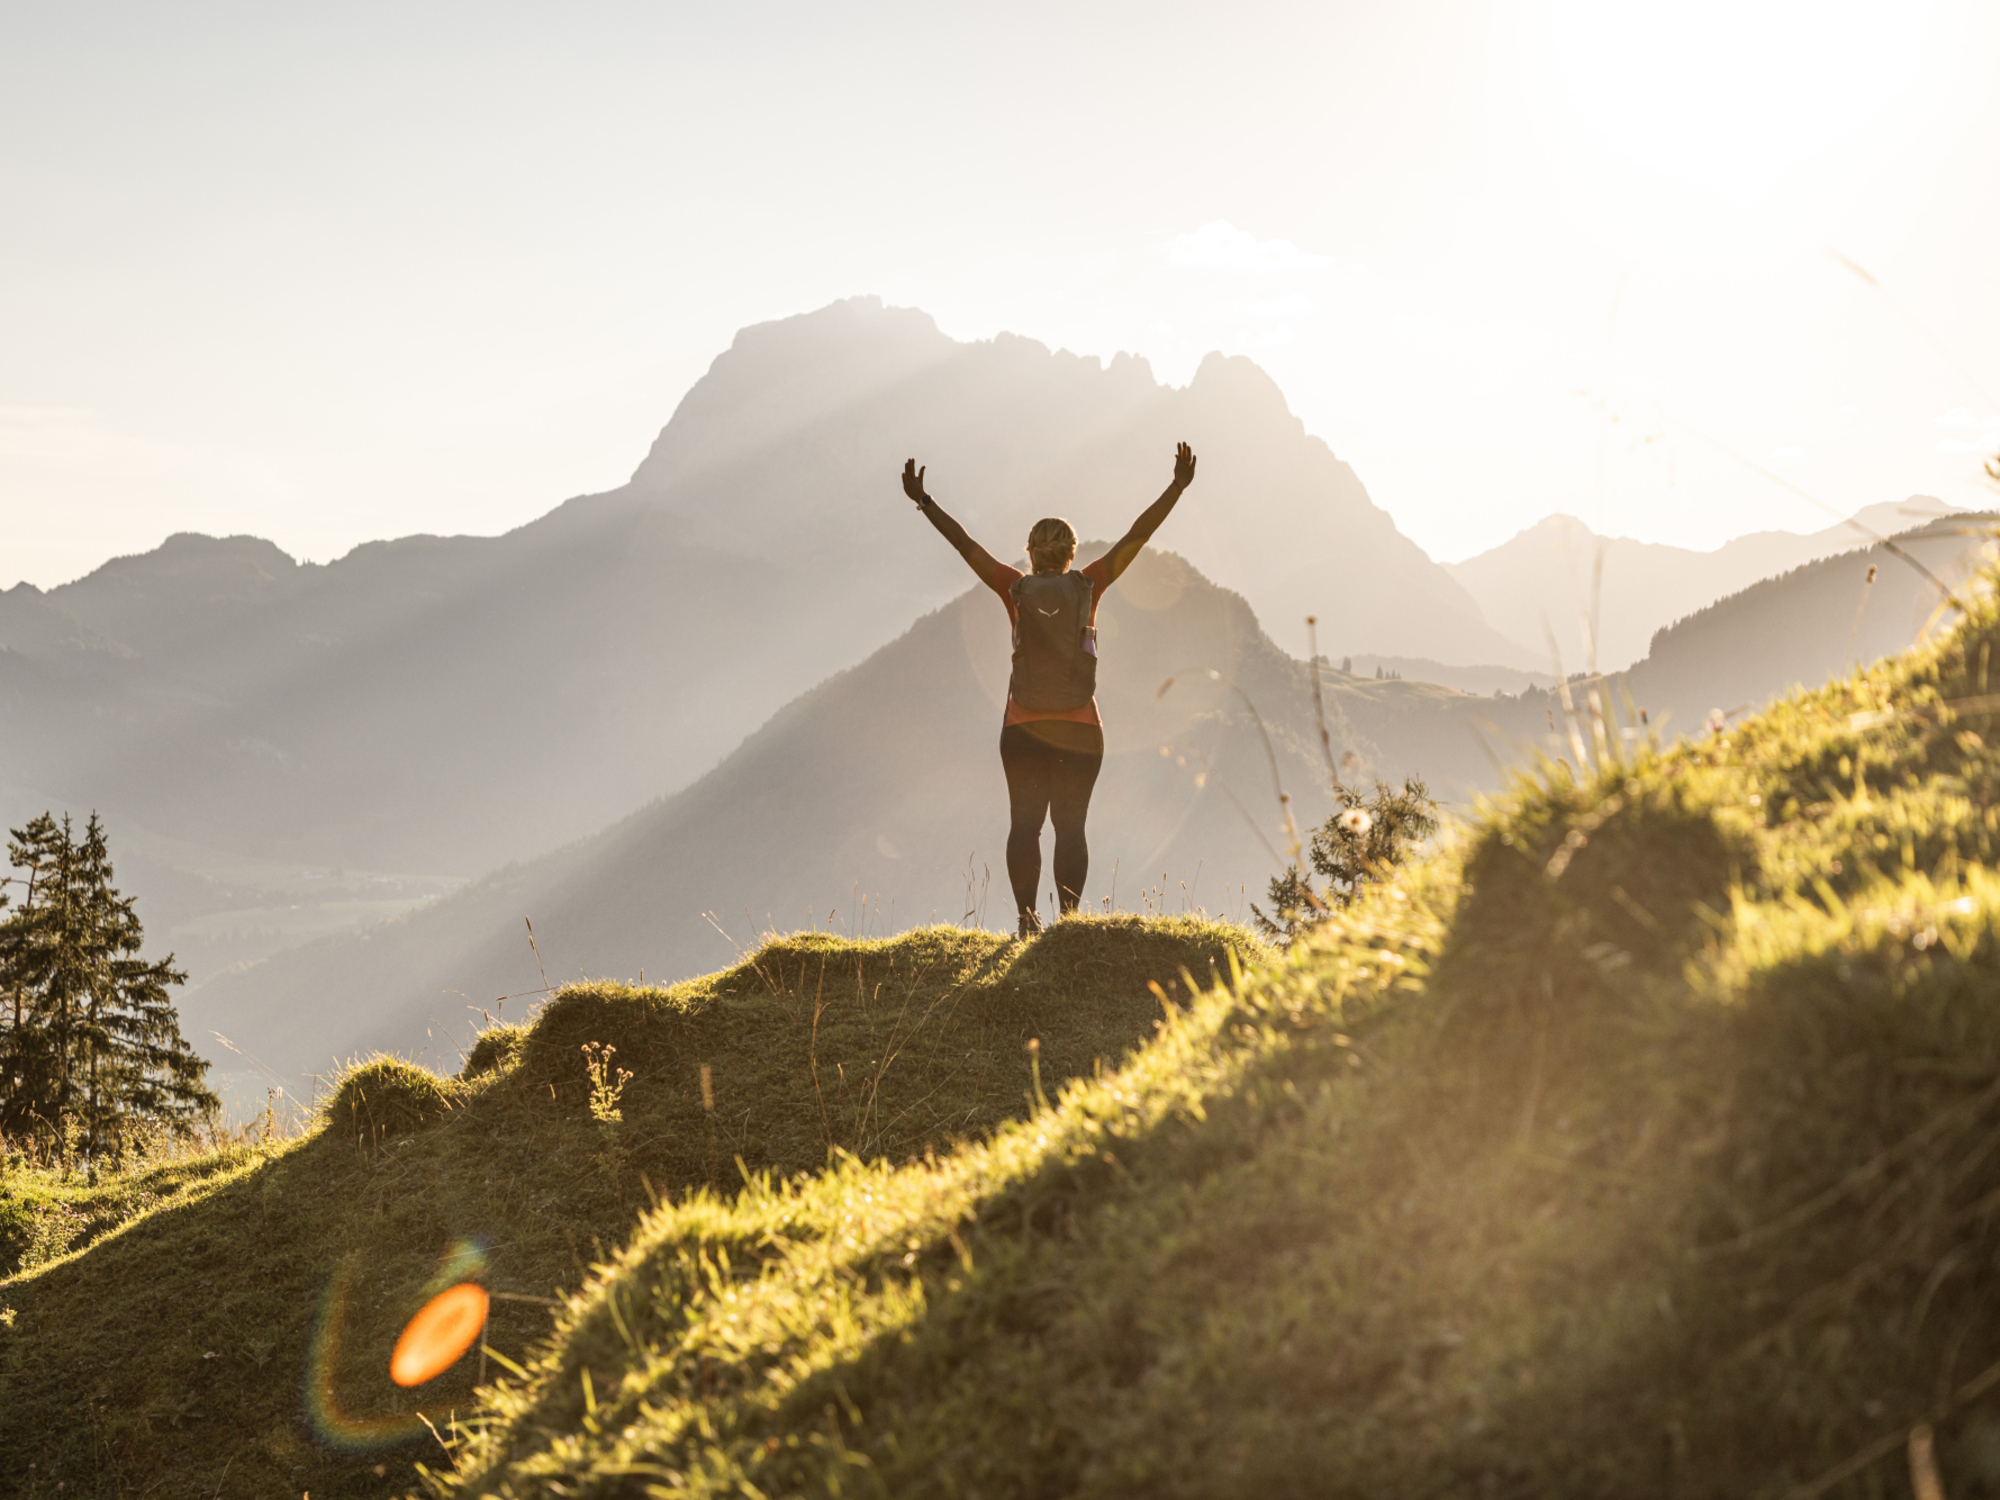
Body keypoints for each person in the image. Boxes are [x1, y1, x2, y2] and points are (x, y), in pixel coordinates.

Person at [900, 442, 1198, 937]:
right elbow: (1137, 535)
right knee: (1071, 826)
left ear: (1032, 553)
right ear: (1070, 554)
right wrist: (1177, 487)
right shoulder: (1089, 585)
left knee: (1025, 825)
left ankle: (1025, 921)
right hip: (1082, 726)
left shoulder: (1013, 588)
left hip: (1023, 726)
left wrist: (924, 501)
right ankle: (1069, 926)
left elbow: (965, 544)